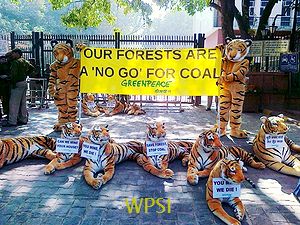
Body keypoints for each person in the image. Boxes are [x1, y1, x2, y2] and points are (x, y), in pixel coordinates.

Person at [2, 48, 35, 127]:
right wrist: (25, 74)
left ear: (17, 53)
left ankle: (12, 121)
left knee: (13, 104)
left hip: (16, 84)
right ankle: (23, 119)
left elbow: (13, 75)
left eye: (13, 53)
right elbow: (32, 68)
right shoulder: (24, 61)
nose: (12, 55)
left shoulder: (15, 62)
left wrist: (7, 77)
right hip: (23, 82)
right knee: (23, 103)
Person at [0, 55, 11, 119]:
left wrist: (7, 76)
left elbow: (10, 74)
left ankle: (6, 112)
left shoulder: (8, 65)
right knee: (5, 100)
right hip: (4, 85)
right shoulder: (6, 66)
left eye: (4, 59)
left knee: (5, 101)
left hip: (5, 86)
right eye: (2, 59)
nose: (4, 60)